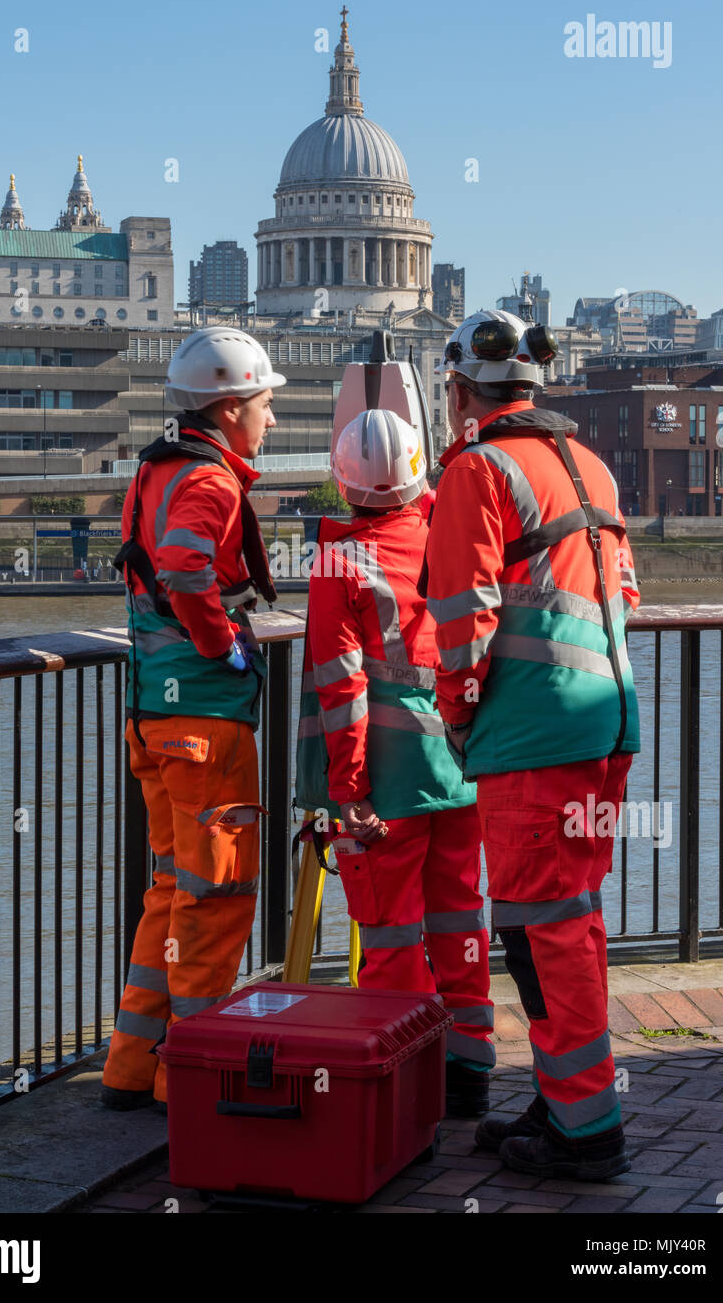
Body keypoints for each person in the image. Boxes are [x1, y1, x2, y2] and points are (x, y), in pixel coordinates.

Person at [425, 309, 641, 1180]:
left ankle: (585, 1129)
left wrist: (456, 715)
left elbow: (460, 616)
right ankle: (562, 1097)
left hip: (531, 735)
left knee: (541, 931)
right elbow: (618, 590)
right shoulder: (587, 465)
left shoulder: (477, 467)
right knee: (569, 920)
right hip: (605, 723)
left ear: (457, 393)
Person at [101, 327, 285, 1111]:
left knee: (172, 888)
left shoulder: (158, 469)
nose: (272, 419)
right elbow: (183, 567)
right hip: (204, 717)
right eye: (267, 403)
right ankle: (192, 1079)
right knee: (216, 895)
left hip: (154, 713)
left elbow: (157, 566)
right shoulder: (209, 483)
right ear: (233, 403)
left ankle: (131, 1065)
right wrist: (220, 646)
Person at [295, 409, 494, 1116]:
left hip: (385, 783)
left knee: (390, 937)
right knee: (459, 919)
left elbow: (340, 686)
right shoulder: (452, 531)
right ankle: (470, 1069)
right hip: (463, 764)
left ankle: (405, 1087)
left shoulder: (339, 559)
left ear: (340, 481)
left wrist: (348, 790)